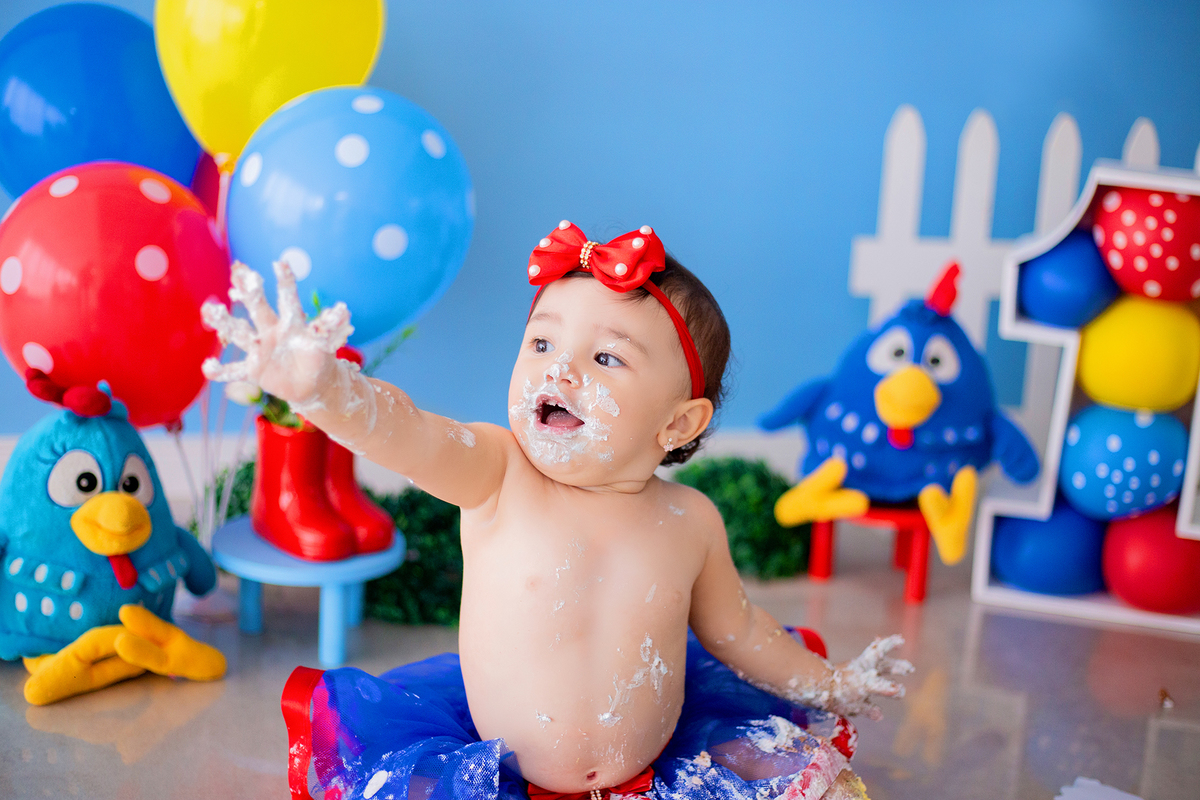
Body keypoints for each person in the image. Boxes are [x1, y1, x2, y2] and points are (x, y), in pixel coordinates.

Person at [201, 221, 911, 800]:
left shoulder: (689, 521)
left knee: (825, 789)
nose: (558, 369)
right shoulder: (498, 472)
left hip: (660, 773)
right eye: (541, 342)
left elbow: (742, 631)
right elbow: (409, 434)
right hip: (498, 776)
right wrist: (327, 392)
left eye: (607, 358)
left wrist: (830, 684)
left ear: (679, 423)